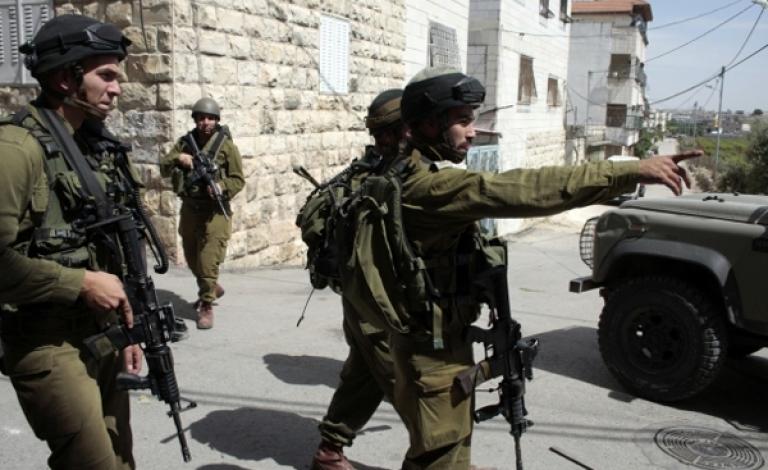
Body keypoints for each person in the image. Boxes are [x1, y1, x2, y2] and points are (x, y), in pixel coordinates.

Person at [381, 67, 701, 470]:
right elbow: (526, 188)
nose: (473, 131)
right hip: (432, 353)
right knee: (439, 454)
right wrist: (629, 171)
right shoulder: (430, 188)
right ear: (429, 125)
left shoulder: (402, 170)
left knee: (445, 447)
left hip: (433, 341)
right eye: (463, 120)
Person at [0, 14, 143, 469]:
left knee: (121, 458)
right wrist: (80, 283)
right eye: (107, 76)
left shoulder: (94, 145)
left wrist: (129, 329)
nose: (117, 88)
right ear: (66, 78)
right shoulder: (16, 150)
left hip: (100, 332)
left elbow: (111, 246)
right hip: (45, 340)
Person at [309, 89, 405, 470]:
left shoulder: (380, 169)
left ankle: (329, 451)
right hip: (374, 305)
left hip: (368, 302)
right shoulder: (378, 179)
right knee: (411, 385)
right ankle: (445, 460)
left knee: (365, 373)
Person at [160, 98, 244, 329]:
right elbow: (164, 167)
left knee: (208, 261)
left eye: (210, 118)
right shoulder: (185, 143)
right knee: (192, 257)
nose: (205, 122)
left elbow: (238, 180)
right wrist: (179, 158)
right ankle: (212, 287)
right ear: (195, 119)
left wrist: (221, 187)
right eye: (201, 118)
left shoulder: (227, 147)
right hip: (190, 209)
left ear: (217, 120)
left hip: (215, 211)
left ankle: (206, 304)